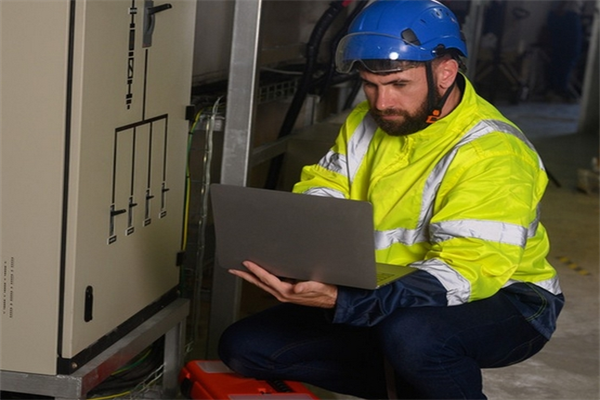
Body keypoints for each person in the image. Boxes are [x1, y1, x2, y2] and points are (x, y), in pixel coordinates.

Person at [218, 0, 565, 399]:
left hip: (507, 298)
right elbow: (325, 189)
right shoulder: (366, 121)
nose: (382, 103)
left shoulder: (492, 151)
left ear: (446, 72)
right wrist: (305, 256)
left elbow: (468, 272)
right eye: (371, 85)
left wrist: (344, 301)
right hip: (384, 285)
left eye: (399, 84)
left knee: (414, 338)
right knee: (245, 347)